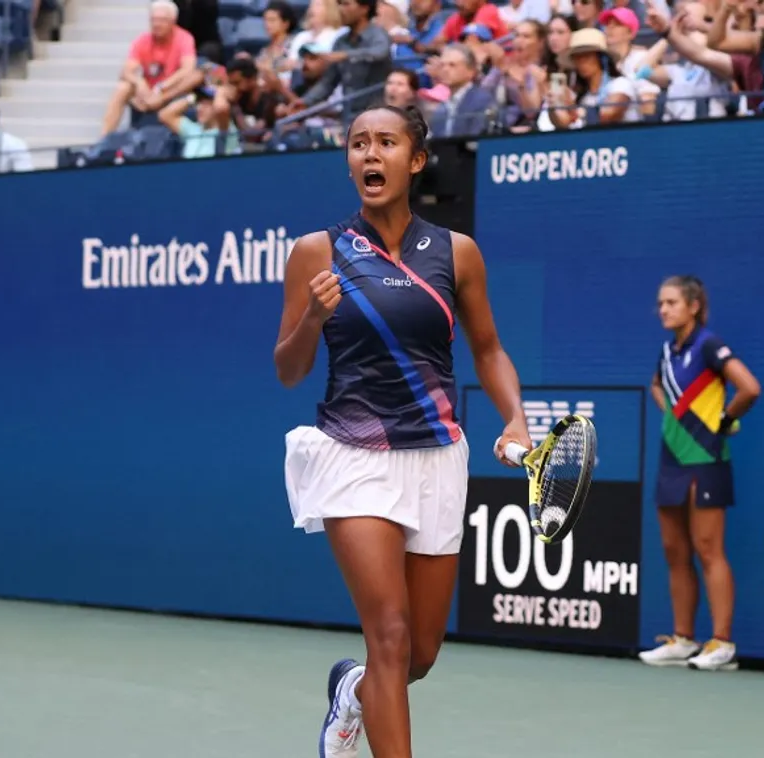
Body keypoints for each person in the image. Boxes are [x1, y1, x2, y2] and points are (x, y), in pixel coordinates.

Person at [273, 103, 532, 758]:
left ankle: (352, 691)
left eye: (385, 142)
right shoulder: (316, 252)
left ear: (415, 160)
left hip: (438, 458)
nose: (369, 154)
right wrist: (311, 318)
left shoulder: (457, 253)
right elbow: (288, 369)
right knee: (387, 635)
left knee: (416, 655)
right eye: (358, 143)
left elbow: (488, 348)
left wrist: (516, 416)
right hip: (352, 456)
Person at [639, 275, 760, 672]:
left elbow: (749, 388)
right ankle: (683, 639)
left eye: (671, 302)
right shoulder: (666, 351)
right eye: (660, 303)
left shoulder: (709, 344)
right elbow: (656, 386)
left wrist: (722, 421)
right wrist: (677, 418)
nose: (663, 309)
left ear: (693, 306)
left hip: (707, 461)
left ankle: (722, 644)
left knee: (709, 549)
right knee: (675, 552)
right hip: (671, 460)